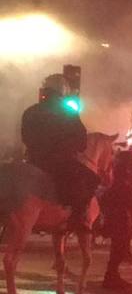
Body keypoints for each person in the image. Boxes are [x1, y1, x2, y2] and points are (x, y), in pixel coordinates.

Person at [20, 74, 98, 231]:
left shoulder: (31, 111)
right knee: (92, 178)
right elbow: (81, 141)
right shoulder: (68, 112)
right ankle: (77, 218)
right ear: (62, 91)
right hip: (59, 163)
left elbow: (25, 137)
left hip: (33, 160)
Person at [100, 150, 132, 290]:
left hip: (118, 217)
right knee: (119, 248)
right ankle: (110, 276)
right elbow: (129, 200)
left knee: (118, 248)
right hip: (120, 218)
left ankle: (112, 275)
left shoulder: (119, 176)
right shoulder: (122, 180)